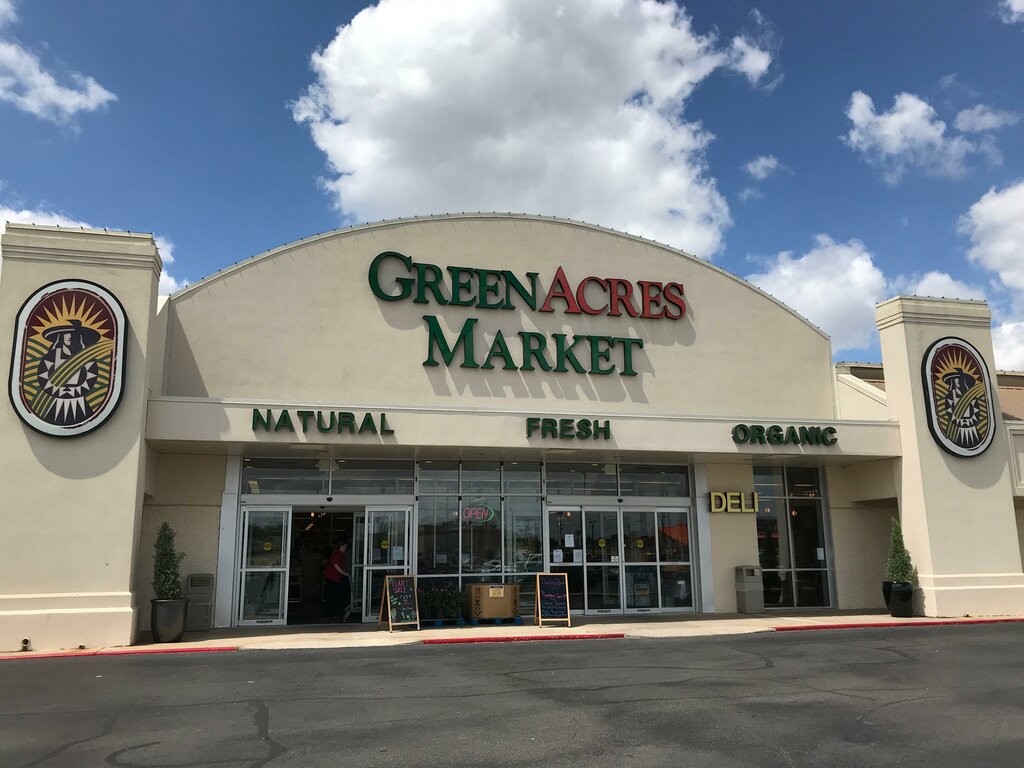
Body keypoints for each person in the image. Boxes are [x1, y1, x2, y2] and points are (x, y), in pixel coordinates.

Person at [323, 541, 351, 622]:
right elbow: (335, 564)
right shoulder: (337, 553)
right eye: (345, 546)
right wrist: (343, 573)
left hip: (334, 577)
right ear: (341, 546)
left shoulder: (339, 554)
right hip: (333, 577)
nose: (346, 548)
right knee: (333, 596)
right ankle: (329, 614)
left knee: (332, 596)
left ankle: (330, 614)